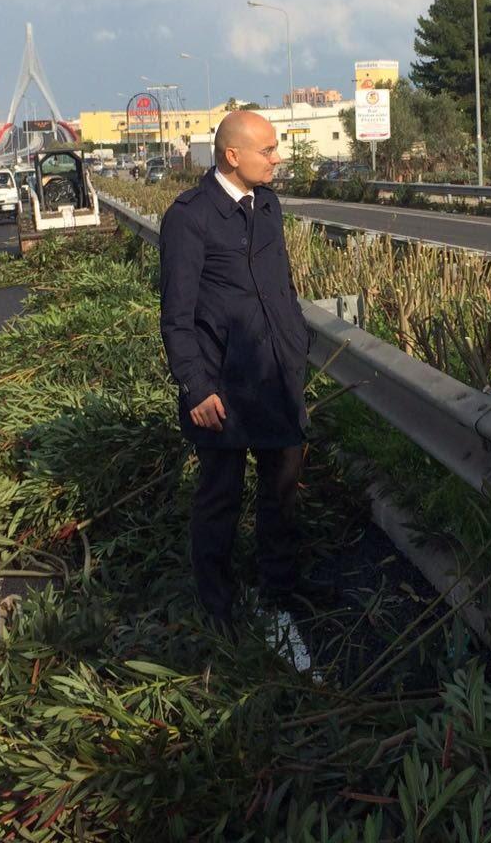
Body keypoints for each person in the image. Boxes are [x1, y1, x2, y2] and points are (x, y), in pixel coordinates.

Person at [158, 110, 329, 626]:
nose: (277, 158)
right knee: (220, 500)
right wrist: (195, 387)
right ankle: (219, 609)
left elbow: (282, 288)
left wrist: (295, 348)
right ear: (233, 156)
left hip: (274, 377)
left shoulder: (268, 205)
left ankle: (281, 588)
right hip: (222, 389)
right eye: (268, 150)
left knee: (282, 492)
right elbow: (176, 316)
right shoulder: (189, 217)